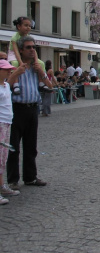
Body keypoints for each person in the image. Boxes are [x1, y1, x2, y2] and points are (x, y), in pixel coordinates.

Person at [7, 36, 50, 190]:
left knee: (31, 146)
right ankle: (12, 180)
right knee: (14, 146)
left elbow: (50, 85)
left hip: (32, 109)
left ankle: (30, 177)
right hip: (16, 109)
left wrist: (42, 73)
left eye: (34, 47)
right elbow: (5, 87)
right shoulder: (14, 66)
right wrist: (15, 74)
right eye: (28, 47)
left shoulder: (37, 67)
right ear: (21, 50)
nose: (32, 50)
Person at [8, 17, 51, 95]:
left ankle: (41, 83)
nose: (28, 27)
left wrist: (36, 61)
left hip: (21, 53)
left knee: (41, 63)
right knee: (15, 64)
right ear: (19, 26)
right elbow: (16, 51)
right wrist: (20, 62)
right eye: (26, 25)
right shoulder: (15, 37)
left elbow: (34, 51)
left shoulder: (28, 36)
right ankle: (16, 84)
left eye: (30, 26)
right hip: (14, 53)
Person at [0, 60, 20, 204]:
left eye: (10, 69)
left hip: (7, 123)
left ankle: (2, 185)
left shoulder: (6, 85)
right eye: (6, 69)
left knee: (3, 158)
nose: (9, 71)